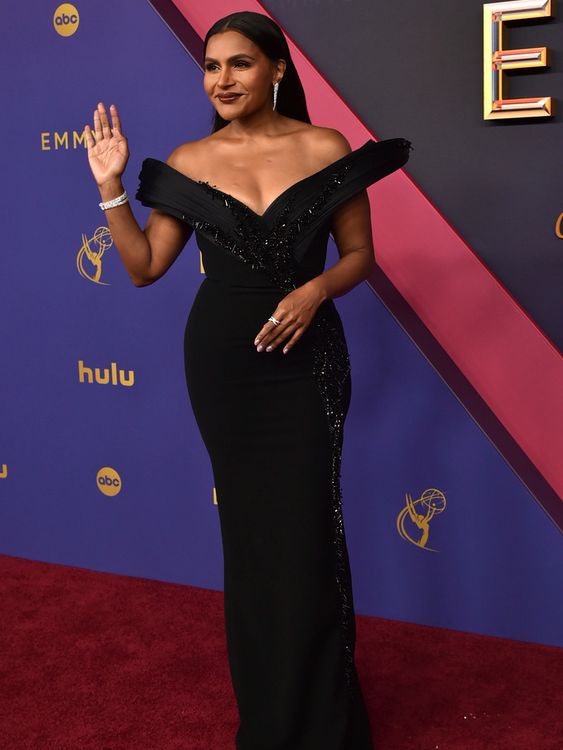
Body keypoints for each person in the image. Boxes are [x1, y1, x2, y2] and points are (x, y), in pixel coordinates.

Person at [84, 10, 412, 749]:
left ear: (276, 70)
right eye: (210, 67)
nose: (221, 80)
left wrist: (315, 290)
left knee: (309, 535)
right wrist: (110, 187)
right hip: (226, 363)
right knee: (253, 540)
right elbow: (142, 268)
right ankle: (269, 722)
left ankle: (324, 722)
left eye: (237, 64)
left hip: (308, 358)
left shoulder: (324, 148)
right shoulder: (190, 158)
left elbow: (357, 254)